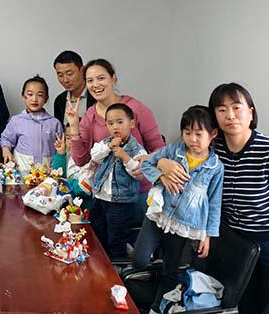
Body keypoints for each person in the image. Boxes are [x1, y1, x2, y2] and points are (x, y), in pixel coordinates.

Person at [159, 83, 269, 313]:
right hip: (224, 236)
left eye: (237, 107)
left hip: (263, 238)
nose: (230, 115)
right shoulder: (209, 146)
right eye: (221, 109)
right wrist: (162, 163)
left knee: (259, 299)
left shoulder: (265, 150)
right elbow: (157, 157)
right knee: (225, 297)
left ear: (250, 112)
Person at [133, 106, 223, 314]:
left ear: (213, 134)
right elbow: (146, 165)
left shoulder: (216, 168)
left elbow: (214, 203)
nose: (192, 139)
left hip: (184, 225)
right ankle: (152, 267)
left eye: (199, 134)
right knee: (139, 260)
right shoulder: (173, 151)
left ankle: (157, 307)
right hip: (158, 216)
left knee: (170, 270)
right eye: (187, 133)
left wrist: (208, 235)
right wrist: (161, 177)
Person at [66, 58, 165, 224]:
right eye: (90, 81)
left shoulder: (136, 108)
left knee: (130, 238)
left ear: (113, 79)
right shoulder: (90, 115)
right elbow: (81, 159)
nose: (95, 85)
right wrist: (74, 125)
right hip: (104, 195)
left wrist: (146, 160)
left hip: (137, 193)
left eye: (101, 78)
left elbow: (159, 149)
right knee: (102, 238)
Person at [89, 103, 147, 259]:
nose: (115, 126)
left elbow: (139, 173)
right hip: (100, 196)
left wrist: (125, 157)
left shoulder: (137, 149)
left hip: (121, 202)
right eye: (110, 123)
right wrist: (108, 147)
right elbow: (95, 156)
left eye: (120, 122)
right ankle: (101, 261)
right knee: (96, 229)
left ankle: (117, 265)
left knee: (117, 236)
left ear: (132, 123)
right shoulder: (106, 142)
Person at [0, 75, 62, 174]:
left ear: (46, 98)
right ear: (23, 97)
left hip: (48, 173)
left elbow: (61, 148)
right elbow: (6, 139)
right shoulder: (16, 121)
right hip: (22, 173)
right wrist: (6, 150)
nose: (34, 99)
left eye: (40, 95)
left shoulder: (54, 123)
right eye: (30, 94)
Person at [52, 50, 95, 127]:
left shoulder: (95, 95)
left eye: (69, 74)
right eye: (60, 75)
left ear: (82, 70)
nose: (65, 80)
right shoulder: (59, 100)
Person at [52, 124, 94, 202]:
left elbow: (83, 189)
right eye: (68, 138)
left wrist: (66, 182)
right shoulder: (68, 154)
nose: (71, 141)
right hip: (66, 201)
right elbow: (56, 175)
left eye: (76, 137)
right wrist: (60, 154)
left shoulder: (92, 158)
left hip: (84, 204)